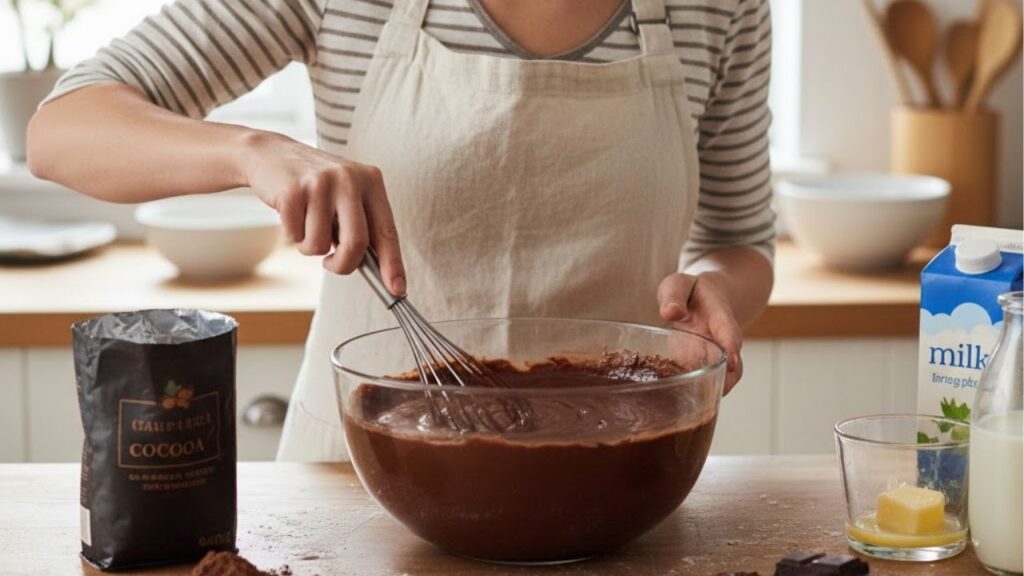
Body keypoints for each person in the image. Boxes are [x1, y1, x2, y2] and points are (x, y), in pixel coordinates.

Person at [27, 0, 775, 461]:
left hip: (619, 466)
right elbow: (63, 130)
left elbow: (741, 237)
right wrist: (254, 151)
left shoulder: (718, 6)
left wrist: (715, 295)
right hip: (365, 477)